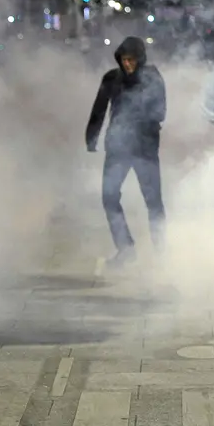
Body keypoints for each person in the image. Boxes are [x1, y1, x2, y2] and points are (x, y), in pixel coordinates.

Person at [85, 36, 167, 269]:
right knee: (109, 197)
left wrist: (138, 123)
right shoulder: (112, 79)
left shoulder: (152, 77)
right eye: (124, 60)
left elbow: (160, 111)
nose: (128, 64)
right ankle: (126, 248)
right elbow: (99, 109)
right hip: (118, 148)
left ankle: (162, 253)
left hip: (145, 149)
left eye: (131, 60)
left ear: (139, 59)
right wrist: (91, 137)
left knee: (153, 202)